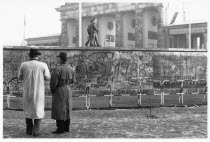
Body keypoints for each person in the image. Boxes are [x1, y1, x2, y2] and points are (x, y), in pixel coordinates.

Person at [18, 48, 51, 137]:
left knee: (28, 109)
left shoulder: (23, 65)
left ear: (29, 55)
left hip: (27, 90)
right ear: (38, 56)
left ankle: (29, 129)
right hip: (39, 91)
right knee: (38, 110)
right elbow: (48, 77)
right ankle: (36, 130)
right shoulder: (43, 65)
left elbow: (20, 77)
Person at [50, 52, 75, 134]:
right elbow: (73, 81)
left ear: (60, 59)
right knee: (67, 107)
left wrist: (52, 90)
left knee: (59, 108)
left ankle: (60, 128)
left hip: (60, 89)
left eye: (58, 58)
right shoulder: (71, 69)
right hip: (68, 89)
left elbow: (53, 82)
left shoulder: (57, 69)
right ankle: (67, 127)